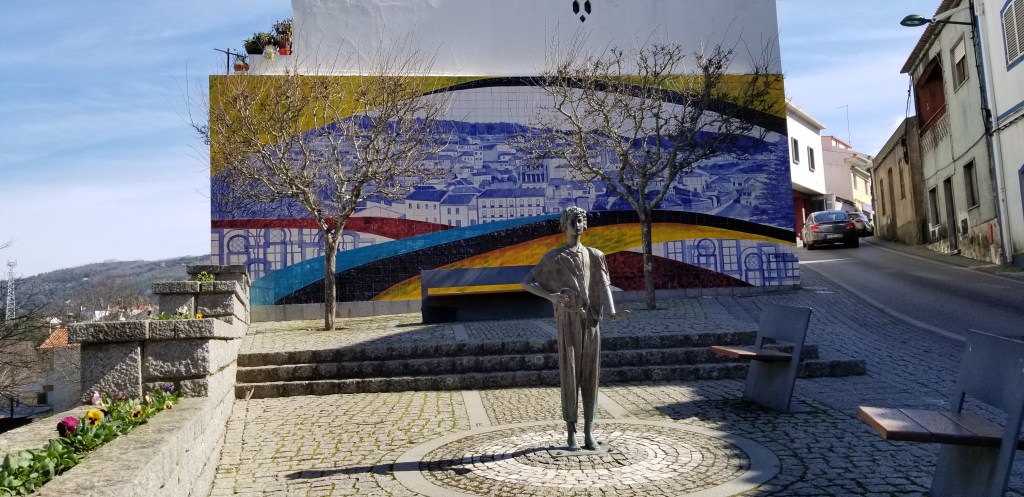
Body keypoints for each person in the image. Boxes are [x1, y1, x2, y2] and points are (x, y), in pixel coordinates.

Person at [521, 206, 627, 451]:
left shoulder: (596, 255)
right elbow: (527, 282)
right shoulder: (555, 256)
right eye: (572, 221)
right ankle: (571, 431)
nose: (577, 225)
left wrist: (612, 311)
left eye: (580, 220)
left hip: (591, 320)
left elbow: (604, 285)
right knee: (570, 373)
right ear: (564, 225)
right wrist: (551, 297)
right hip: (567, 319)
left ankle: (589, 431)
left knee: (591, 374)